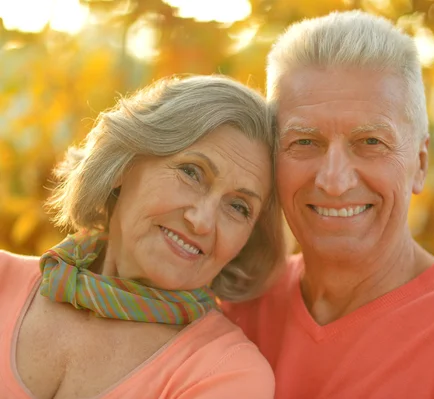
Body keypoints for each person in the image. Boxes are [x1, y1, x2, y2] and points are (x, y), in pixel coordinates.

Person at [223, 10, 434, 399]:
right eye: (305, 142)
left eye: (371, 142)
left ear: (420, 165)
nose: (334, 181)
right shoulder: (237, 309)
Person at [0, 75, 285, 399]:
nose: (202, 221)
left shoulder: (228, 372)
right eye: (191, 172)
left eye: (238, 206)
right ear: (124, 165)